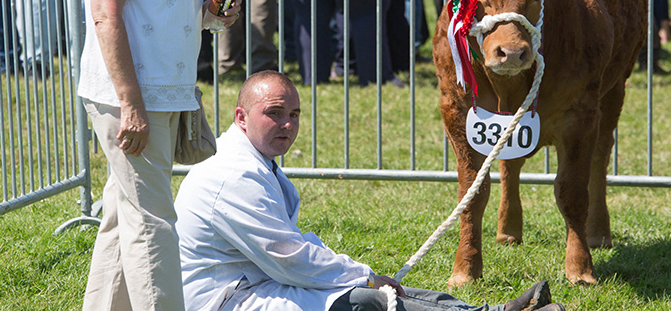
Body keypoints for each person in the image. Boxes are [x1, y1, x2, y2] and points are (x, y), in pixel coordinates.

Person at [175, 70, 566, 311]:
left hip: (259, 283)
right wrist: (363, 276)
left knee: (381, 290)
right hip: (227, 301)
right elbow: (290, 258)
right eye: (274, 113)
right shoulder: (233, 176)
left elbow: (291, 251)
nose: (287, 125)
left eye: (293, 115)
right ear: (241, 117)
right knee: (367, 300)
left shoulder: (254, 162)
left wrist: (363, 275)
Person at [77, 0, 241, 308]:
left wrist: (209, 9)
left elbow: (159, 2)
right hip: (131, 95)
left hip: (163, 92)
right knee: (153, 226)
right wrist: (130, 104)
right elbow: (106, 15)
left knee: (122, 219)